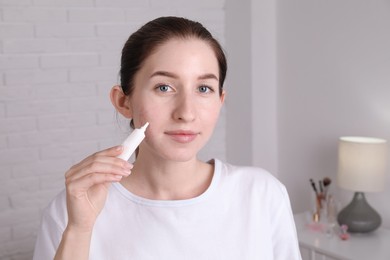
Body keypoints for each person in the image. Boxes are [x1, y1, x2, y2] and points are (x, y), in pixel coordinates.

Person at [33, 16, 302, 260]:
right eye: (164, 87)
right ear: (123, 101)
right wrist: (80, 230)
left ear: (220, 101)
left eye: (204, 88)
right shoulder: (72, 210)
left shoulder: (262, 194)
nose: (186, 112)